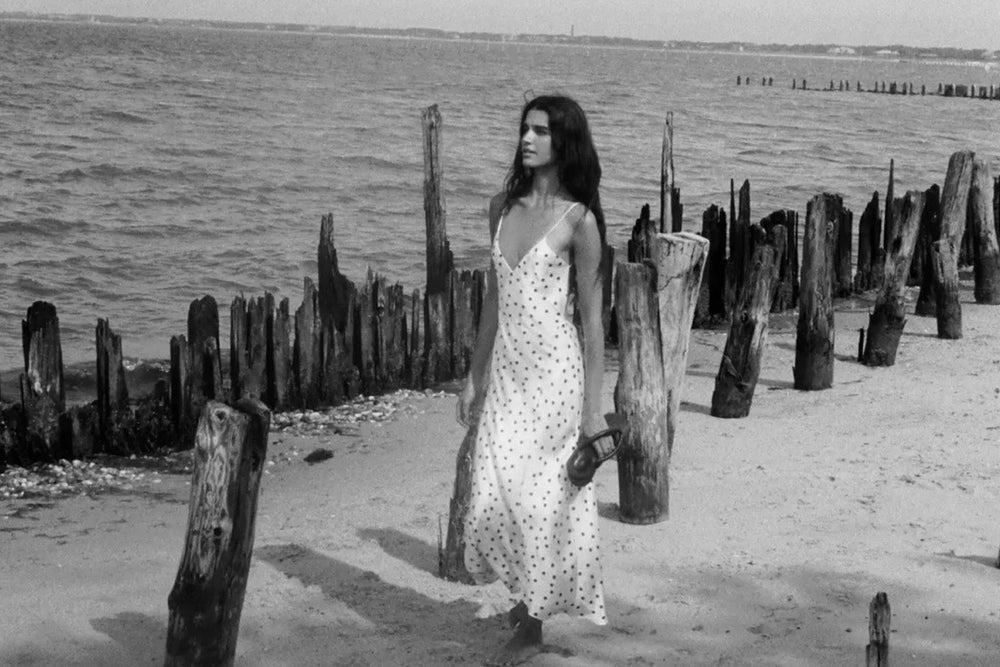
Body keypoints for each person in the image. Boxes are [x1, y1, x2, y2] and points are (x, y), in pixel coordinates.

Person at [456, 94, 610, 663]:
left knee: (542, 501)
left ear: (562, 141)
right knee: (492, 496)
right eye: (524, 128)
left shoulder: (580, 221)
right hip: (507, 376)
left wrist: (594, 411)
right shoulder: (500, 207)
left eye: (540, 131)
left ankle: (531, 621)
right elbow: (492, 302)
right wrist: (472, 378)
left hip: (556, 377)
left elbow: (593, 327)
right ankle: (527, 600)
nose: (527, 138)